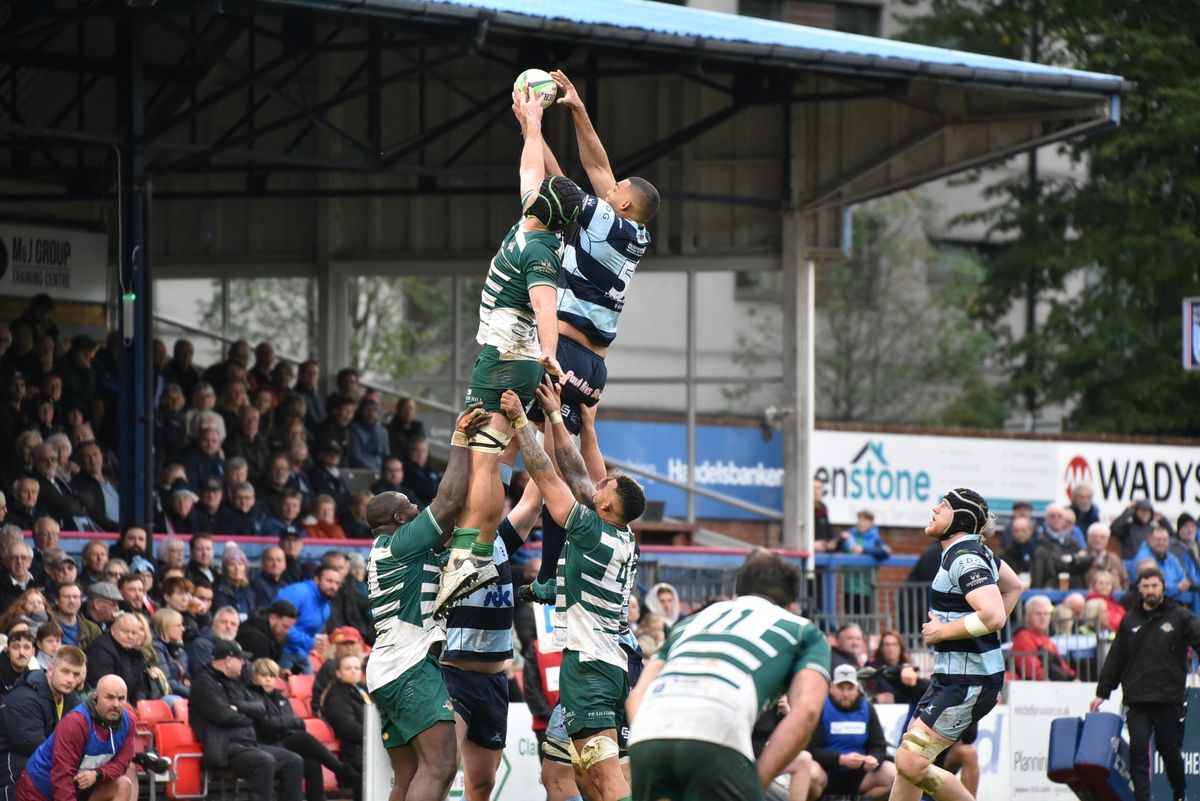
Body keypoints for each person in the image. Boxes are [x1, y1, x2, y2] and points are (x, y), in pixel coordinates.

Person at [434, 84, 586, 614]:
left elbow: (547, 310)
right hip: (505, 359)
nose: (538, 186)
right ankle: (474, 549)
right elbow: (530, 171)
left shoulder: (542, 249)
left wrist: (549, 354)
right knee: (488, 460)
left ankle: (474, 553)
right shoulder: (535, 219)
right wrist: (532, 122)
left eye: (544, 189)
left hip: (507, 362)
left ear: (546, 208)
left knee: (484, 463)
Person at [500, 383, 641, 801]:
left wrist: (523, 423)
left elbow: (547, 475)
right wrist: (559, 419)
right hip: (613, 664)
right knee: (591, 776)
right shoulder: (624, 533)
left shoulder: (591, 530)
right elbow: (578, 474)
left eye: (606, 489)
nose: (599, 486)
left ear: (606, 508)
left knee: (606, 779)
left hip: (590, 667)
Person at [627, 551, 830, 801]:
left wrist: (650, 736)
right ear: (791, 606)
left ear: (737, 594)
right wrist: (758, 782)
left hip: (647, 734)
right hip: (717, 735)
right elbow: (807, 711)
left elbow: (636, 697)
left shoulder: (687, 623)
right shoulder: (803, 630)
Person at [363, 405, 487, 801]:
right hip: (408, 665)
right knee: (441, 766)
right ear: (401, 518)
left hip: (390, 667)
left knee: (409, 774)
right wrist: (460, 441)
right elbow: (448, 501)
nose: (420, 508)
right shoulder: (400, 544)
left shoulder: (392, 549)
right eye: (412, 507)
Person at [890, 489, 1022, 801]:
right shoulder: (974, 552)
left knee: (910, 761)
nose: (934, 509)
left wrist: (943, 632)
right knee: (909, 761)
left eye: (945, 506)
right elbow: (1013, 586)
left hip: (966, 681)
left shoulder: (964, 558)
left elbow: (993, 616)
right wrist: (984, 643)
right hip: (957, 678)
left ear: (960, 519)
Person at [440, 475, 543, 801]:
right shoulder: (446, 546)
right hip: (451, 675)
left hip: (495, 680)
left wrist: (547, 433)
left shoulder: (501, 540)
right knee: (442, 770)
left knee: (483, 782)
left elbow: (532, 501)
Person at [1090, 566, 1200, 801]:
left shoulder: (1179, 615)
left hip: (1169, 697)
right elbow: (1116, 658)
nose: (1150, 590)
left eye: (1154, 586)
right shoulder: (1130, 620)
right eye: (1146, 586)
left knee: (1169, 751)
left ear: (1163, 587)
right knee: (1138, 752)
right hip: (1137, 698)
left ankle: (1179, 794)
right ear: (1139, 588)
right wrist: (1102, 692)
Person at [190, 639, 303, 801]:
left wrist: (237, 707)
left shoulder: (235, 682)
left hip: (248, 743)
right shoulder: (204, 682)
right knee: (264, 761)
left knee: (294, 760)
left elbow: (261, 708)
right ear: (228, 661)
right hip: (224, 746)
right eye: (240, 659)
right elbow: (222, 715)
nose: (244, 663)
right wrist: (246, 714)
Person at [246, 658, 358, 801]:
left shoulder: (281, 698)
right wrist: (287, 722)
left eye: (272, 676)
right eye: (264, 675)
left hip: (283, 740)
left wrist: (284, 722)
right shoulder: (251, 696)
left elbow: (298, 723)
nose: (268, 680)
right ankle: (342, 771)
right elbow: (266, 725)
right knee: (302, 738)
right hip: (264, 743)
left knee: (311, 759)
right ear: (254, 676)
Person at [15, 674, 136, 801]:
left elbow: (122, 762)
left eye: (121, 698)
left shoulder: (128, 721)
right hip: (40, 788)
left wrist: (98, 774)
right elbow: (62, 776)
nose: (116, 704)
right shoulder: (76, 722)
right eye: (109, 697)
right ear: (95, 697)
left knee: (123, 785)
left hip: (79, 787)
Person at [791, 664, 894, 801]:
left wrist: (874, 759)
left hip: (859, 775)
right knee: (809, 773)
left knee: (892, 774)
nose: (846, 694)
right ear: (832, 687)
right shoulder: (820, 707)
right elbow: (811, 749)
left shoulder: (867, 708)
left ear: (857, 689)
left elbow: (878, 744)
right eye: (841, 688)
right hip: (825, 773)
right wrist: (840, 760)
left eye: (850, 688)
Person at [0, 646, 86, 801]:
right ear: (51, 670)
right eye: (65, 671)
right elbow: (35, 747)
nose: (70, 679)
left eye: (76, 674)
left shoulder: (71, 699)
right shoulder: (24, 698)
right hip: (12, 764)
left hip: (49, 761)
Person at [274, 566, 343, 675]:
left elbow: (314, 636)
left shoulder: (326, 606)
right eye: (329, 581)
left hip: (302, 654)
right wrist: (310, 642)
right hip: (280, 651)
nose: (333, 586)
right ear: (316, 579)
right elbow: (279, 625)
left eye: (337, 583)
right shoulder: (298, 592)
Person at [85, 613, 152, 706]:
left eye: (134, 633)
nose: (130, 636)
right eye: (125, 631)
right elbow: (105, 688)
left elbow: (140, 686)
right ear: (113, 630)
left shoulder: (135, 653)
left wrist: (139, 705)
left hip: (127, 705)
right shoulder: (101, 650)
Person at [317, 655, 369, 774]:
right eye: (348, 668)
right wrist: (379, 735)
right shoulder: (336, 697)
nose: (353, 671)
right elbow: (348, 729)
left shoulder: (364, 689)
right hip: (356, 751)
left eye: (357, 668)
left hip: (373, 744)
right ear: (339, 673)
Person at [1010, 596, 1076, 681]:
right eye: (1038, 613)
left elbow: (1062, 666)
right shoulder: (1023, 637)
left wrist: (1074, 678)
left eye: (1046, 614)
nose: (1043, 618)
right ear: (1027, 617)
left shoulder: (1047, 640)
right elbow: (1033, 672)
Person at [1132, 524, 1191, 599]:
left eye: (1164, 540)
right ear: (1150, 540)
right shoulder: (1144, 560)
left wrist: (1176, 587)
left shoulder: (1170, 557)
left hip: (1175, 602)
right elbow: (1155, 587)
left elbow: (1183, 579)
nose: (1161, 543)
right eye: (1158, 539)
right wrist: (1177, 587)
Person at [237, 600, 298, 664]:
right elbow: (260, 671)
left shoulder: (276, 636)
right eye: (284, 626)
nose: (287, 632)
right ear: (272, 618)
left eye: (290, 628)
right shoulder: (255, 640)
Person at [150, 609, 190, 698]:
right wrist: (194, 694)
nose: (183, 629)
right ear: (165, 627)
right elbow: (167, 681)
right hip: (162, 697)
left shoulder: (175, 647)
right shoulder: (156, 648)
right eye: (178, 626)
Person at [0, 631, 34, 701]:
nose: (21, 652)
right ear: (8, 650)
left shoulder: (31, 675)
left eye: (26, 647)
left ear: (33, 652)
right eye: (15, 647)